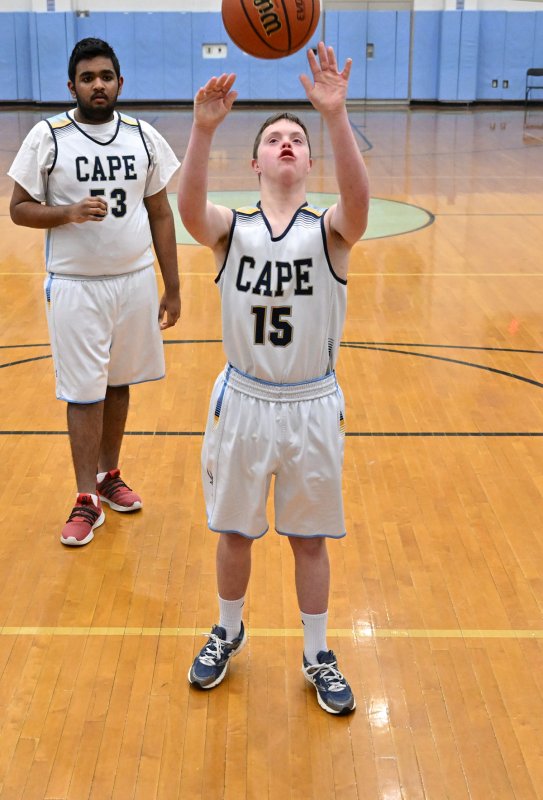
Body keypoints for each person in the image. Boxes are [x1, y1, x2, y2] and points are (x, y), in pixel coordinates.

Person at [177, 42, 369, 715]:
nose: (286, 143)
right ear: (255, 161)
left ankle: (317, 651)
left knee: (308, 538)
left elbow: (360, 200)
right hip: (245, 400)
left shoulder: (331, 232)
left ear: (308, 162)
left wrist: (335, 117)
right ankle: (227, 630)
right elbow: (189, 212)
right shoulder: (232, 230)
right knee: (234, 531)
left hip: (312, 402)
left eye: (296, 138)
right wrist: (202, 132)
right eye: (274, 138)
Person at [8, 38, 181, 547]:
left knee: (119, 383)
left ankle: (109, 477)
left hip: (134, 281)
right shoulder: (49, 135)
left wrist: (172, 286)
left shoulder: (143, 137)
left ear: (120, 83)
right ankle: (85, 497)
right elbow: (18, 208)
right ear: (72, 86)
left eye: (106, 76)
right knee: (83, 392)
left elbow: (161, 213)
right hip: (76, 286)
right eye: (87, 78)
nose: (98, 85)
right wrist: (67, 212)